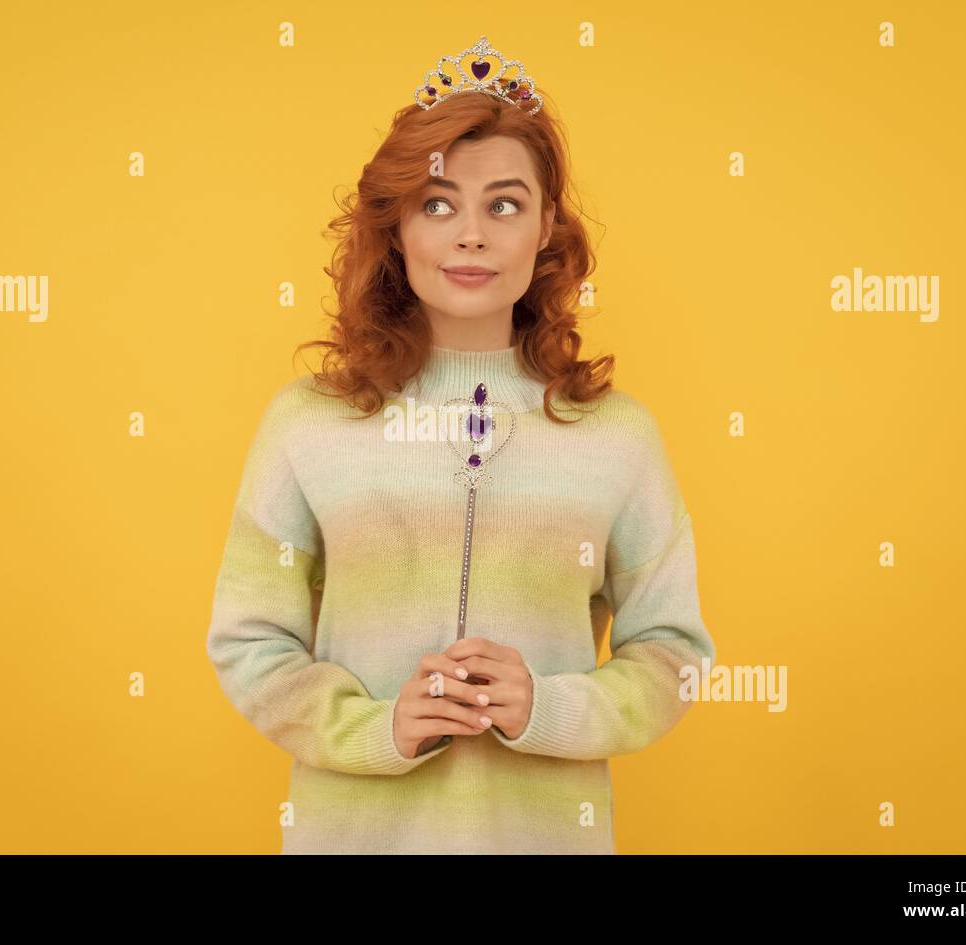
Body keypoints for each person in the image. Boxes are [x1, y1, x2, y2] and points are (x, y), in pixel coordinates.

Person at [206, 36, 715, 854]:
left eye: (504, 204)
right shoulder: (306, 422)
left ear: (546, 226)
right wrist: (376, 728)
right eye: (438, 203)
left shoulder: (619, 435)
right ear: (397, 224)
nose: (470, 234)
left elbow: (674, 653)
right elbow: (248, 640)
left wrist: (547, 707)